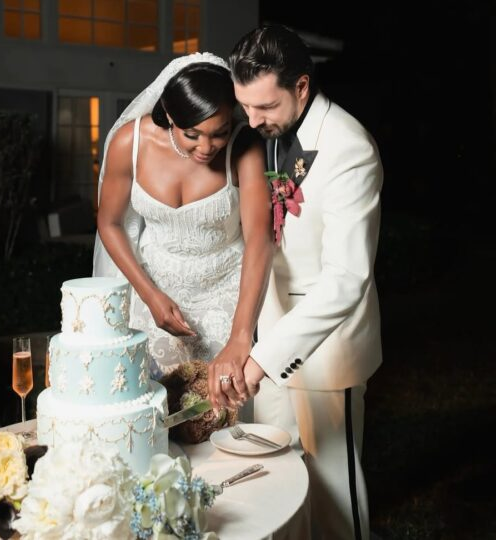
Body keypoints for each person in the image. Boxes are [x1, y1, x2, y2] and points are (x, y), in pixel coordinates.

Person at [209, 25, 383, 540]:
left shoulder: (350, 147)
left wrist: (264, 357)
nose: (252, 120)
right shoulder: (260, 133)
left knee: (335, 497)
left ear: (302, 86)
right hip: (268, 335)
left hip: (326, 350)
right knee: (275, 485)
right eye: (245, 106)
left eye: (264, 106)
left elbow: (347, 279)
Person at [93, 52, 273, 379]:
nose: (206, 147)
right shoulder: (130, 143)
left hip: (228, 295)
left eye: (219, 132)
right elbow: (109, 223)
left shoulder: (244, 146)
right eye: (192, 134)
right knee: (154, 399)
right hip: (153, 292)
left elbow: (259, 238)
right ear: (169, 116)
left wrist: (240, 335)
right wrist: (149, 295)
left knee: (223, 402)